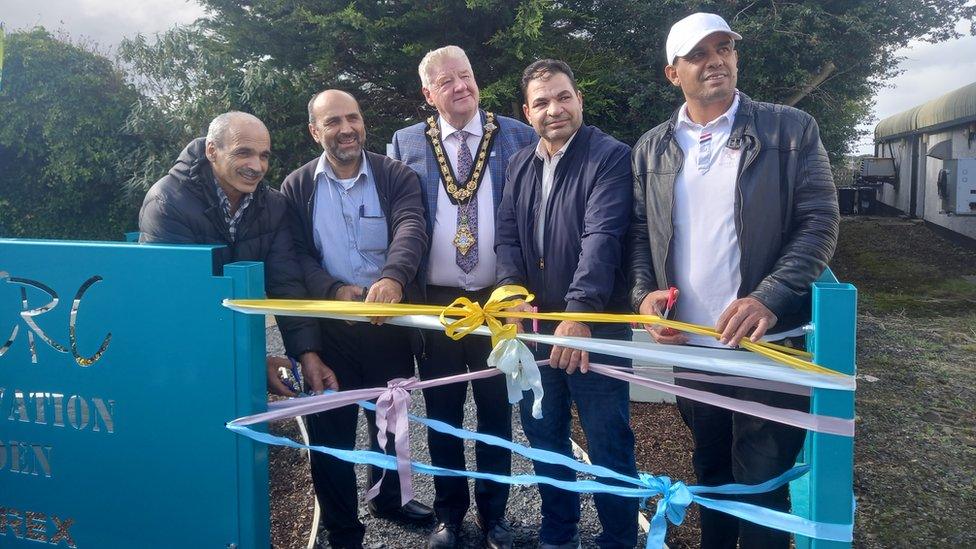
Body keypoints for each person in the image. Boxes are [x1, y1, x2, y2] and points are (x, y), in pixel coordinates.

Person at [627, 12, 840, 549]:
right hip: (695, 349)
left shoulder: (790, 130)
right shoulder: (652, 147)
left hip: (771, 347)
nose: (715, 61)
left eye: (723, 48)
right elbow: (637, 235)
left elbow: (819, 222)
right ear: (673, 73)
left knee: (763, 483)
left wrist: (771, 296)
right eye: (697, 54)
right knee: (710, 473)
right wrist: (643, 295)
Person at [390, 45, 537, 549]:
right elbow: (401, 221)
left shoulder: (518, 135)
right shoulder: (406, 143)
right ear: (428, 94)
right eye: (447, 81)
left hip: (499, 302)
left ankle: (495, 517)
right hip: (438, 305)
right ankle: (450, 518)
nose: (461, 87)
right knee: (444, 412)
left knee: (497, 412)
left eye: (467, 75)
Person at [279, 89, 432, 549]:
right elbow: (296, 255)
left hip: (389, 325)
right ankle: (343, 529)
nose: (346, 129)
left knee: (389, 421)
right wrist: (332, 290)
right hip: (331, 329)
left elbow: (412, 226)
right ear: (314, 131)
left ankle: (388, 498)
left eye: (354, 118)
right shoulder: (297, 186)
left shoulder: (395, 174)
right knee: (331, 431)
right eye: (333, 122)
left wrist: (394, 278)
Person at [495, 59, 637, 549]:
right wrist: (511, 293)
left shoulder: (611, 156)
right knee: (544, 435)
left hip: (593, 327)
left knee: (607, 441)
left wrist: (580, 315)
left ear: (579, 99)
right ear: (527, 112)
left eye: (563, 97)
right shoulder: (518, 164)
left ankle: (619, 539)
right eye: (541, 102)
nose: (554, 109)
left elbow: (603, 238)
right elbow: (508, 239)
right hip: (535, 329)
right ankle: (559, 533)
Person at [138, 111, 337, 398]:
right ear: (212, 151)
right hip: (177, 359)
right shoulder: (168, 203)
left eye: (264, 156)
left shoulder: (272, 205)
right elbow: (178, 302)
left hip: (231, 355)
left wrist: (307, 354)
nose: (256, 166)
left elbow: (286, 283)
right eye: (243, 153)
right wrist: (254, 362)